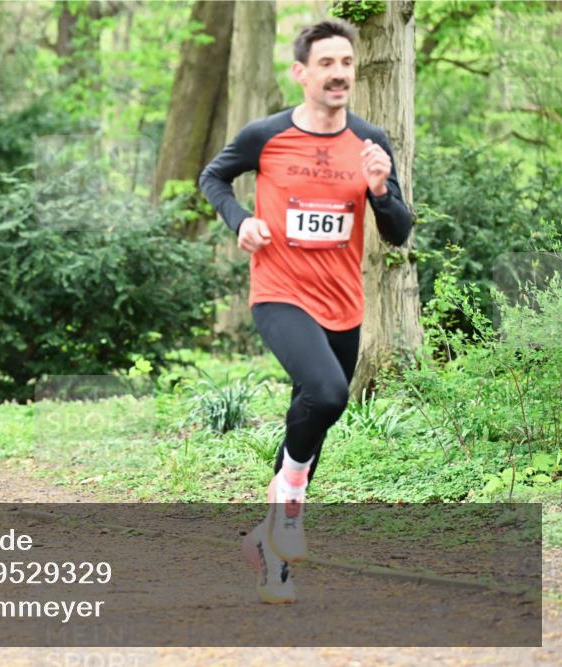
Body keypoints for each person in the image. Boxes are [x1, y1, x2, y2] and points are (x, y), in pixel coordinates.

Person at [200, 20, 412, 603]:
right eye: (326, 63)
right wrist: (241, 221)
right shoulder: (266, 136)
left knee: (313, 414)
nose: (339, 73)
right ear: (301, 72)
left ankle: (270, 550)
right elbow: (214, 177)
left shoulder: (370, 142)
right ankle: (290, 505)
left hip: (343, 304)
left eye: (346, 62)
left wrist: (380, 192)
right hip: (280, 293)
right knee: (327, 392)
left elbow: (399, 232)